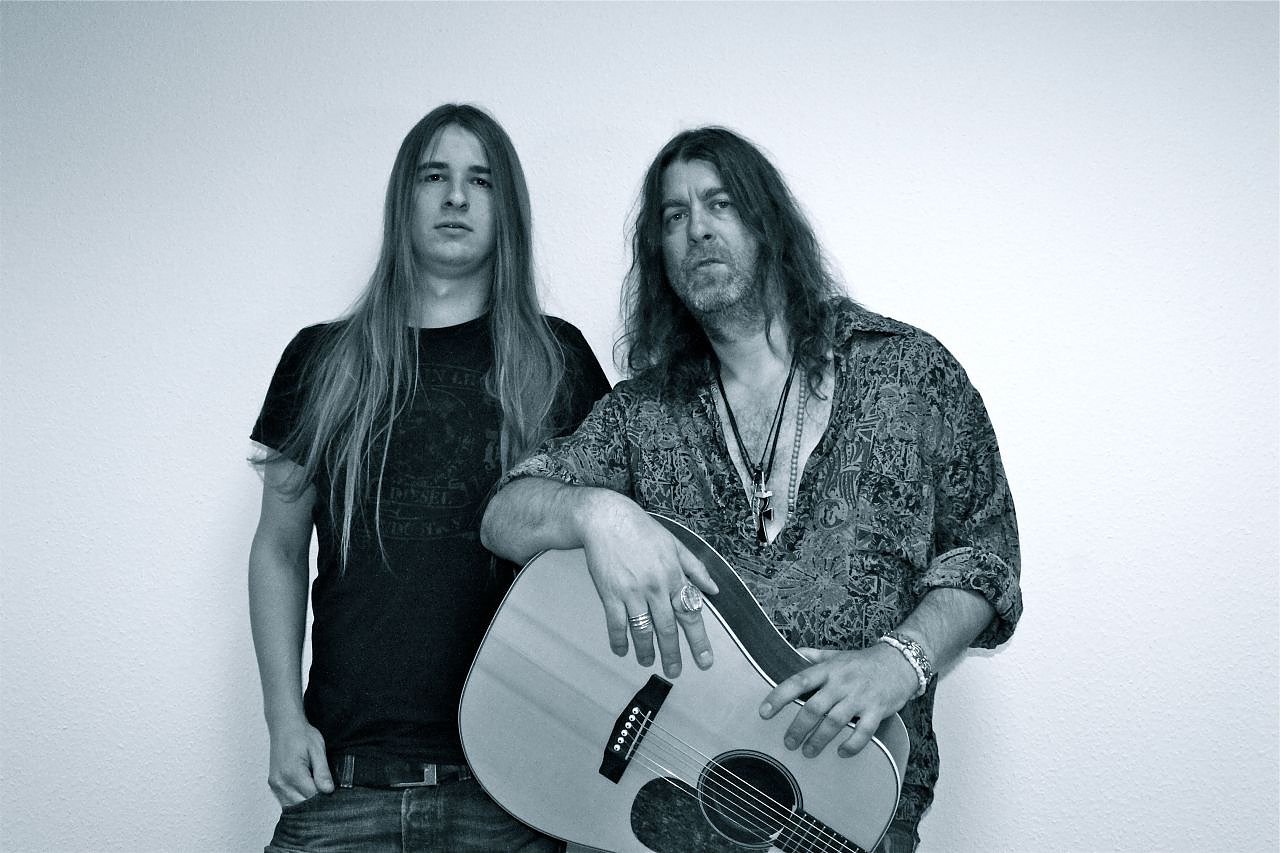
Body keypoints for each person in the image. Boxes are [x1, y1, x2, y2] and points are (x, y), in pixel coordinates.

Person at [480, 126, 1022, 852]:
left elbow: (986, 555)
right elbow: (504, 516)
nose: (697, 229)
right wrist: (594, 510)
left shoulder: (909, 373)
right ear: (659, 254)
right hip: (671, 820)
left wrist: (905, 658)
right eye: (674, 216)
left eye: (720, 203)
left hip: (851, 808)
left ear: (769, 221)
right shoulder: (641, 413)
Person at [248, 103, 610, 852]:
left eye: (481, 180)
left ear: (506, 208)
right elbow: (278, 549)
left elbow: (612, 549)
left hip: (512, 790)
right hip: (342, 781)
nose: (455, 197)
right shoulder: (322, 358)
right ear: (402, 199)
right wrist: (282, 720)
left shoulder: (559, 359)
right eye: (434, 176)